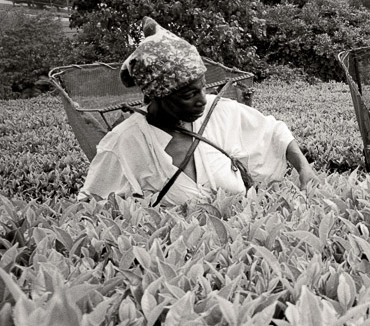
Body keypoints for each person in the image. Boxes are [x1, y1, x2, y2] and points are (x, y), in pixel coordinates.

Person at [78, 18, 317, 205]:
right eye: (188, 95)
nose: (202, 100)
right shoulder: (122, 144)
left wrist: (305, 169)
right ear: (156, 95)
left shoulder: (217, 111)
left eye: (202, 88)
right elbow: (91, 208)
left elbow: (274, 132)